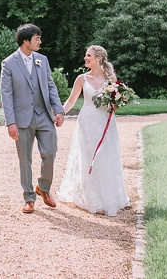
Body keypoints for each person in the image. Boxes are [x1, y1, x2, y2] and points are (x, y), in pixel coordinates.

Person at [57, 45, 130, 216]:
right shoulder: (81, 79)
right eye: (85, 55)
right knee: (88, 157)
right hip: (87, 122)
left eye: (88, 55)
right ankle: (92, 199)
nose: (85, 58)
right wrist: (59, 114)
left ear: (98, 58)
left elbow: (116, 104)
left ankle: (108, 197)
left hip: (105, 121)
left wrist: (115, 104)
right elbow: (70, 101)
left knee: (106, 156)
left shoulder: (111, 78)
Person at [0, 24, 65, 214]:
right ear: (26, 41)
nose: (40, 41)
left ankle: (43, 188)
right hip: (21, 119)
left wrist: (58, 110)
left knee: (50, 153)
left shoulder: (42, 60)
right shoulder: (9, 63)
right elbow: (6, 94)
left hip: (44, 115)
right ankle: (29, 197)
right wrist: (10, 122)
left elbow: (51, 86)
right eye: (37, 38)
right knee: (25, 159)